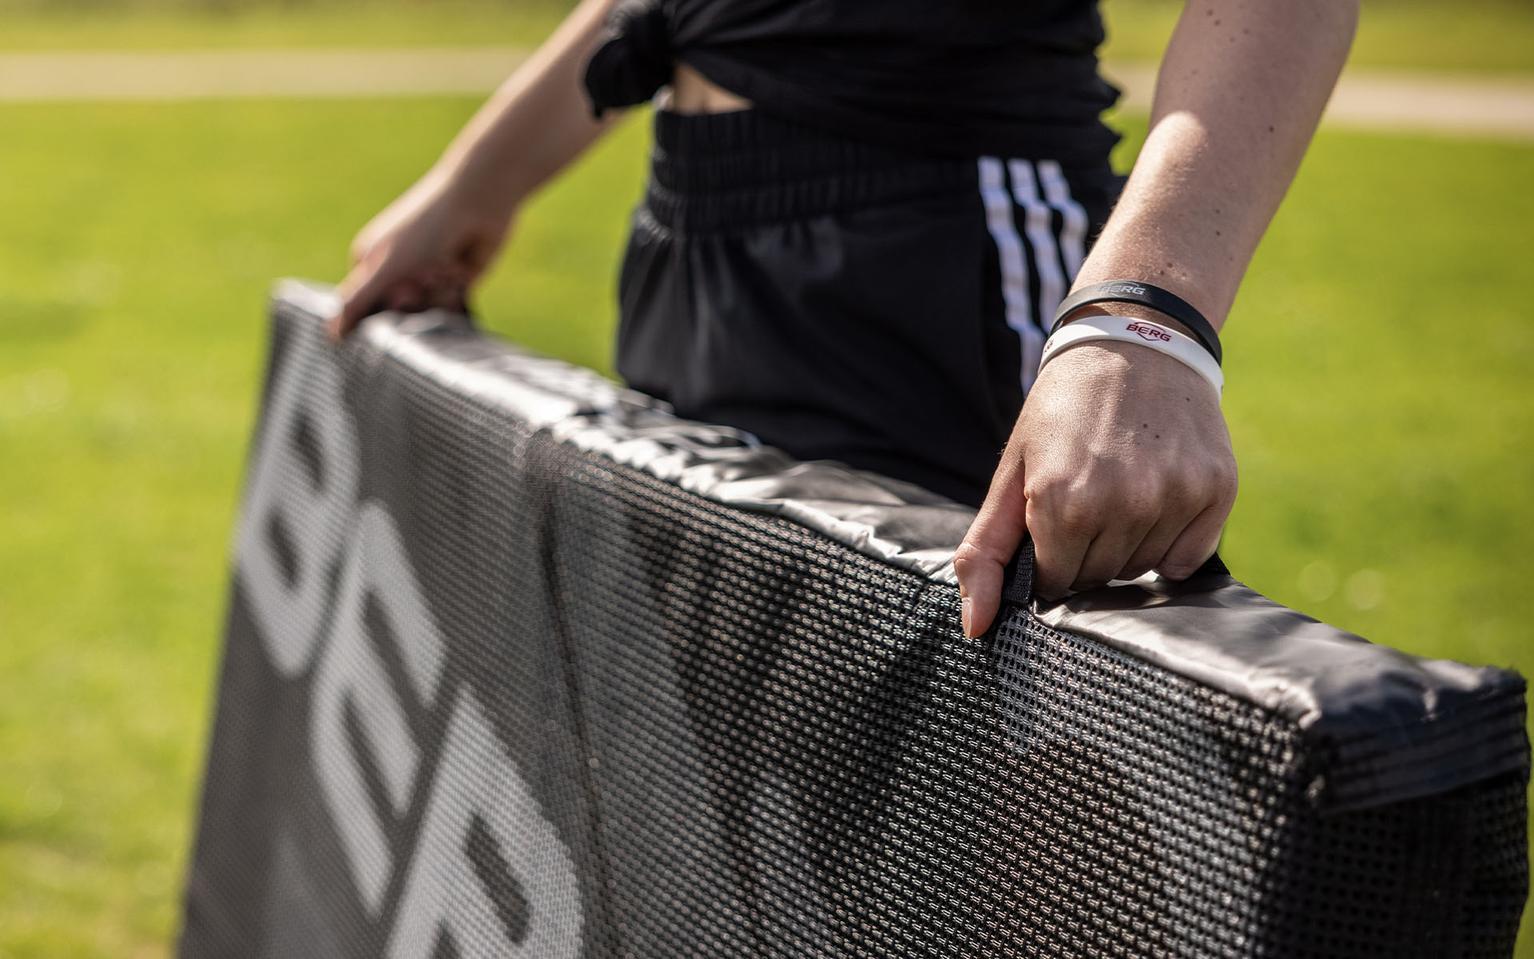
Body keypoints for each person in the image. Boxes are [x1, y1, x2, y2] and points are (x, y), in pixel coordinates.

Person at [331, 0, 1355, 638]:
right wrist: (475, 186)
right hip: (693, 227)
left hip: (941, 246)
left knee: (959, 803)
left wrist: (1141, 318)